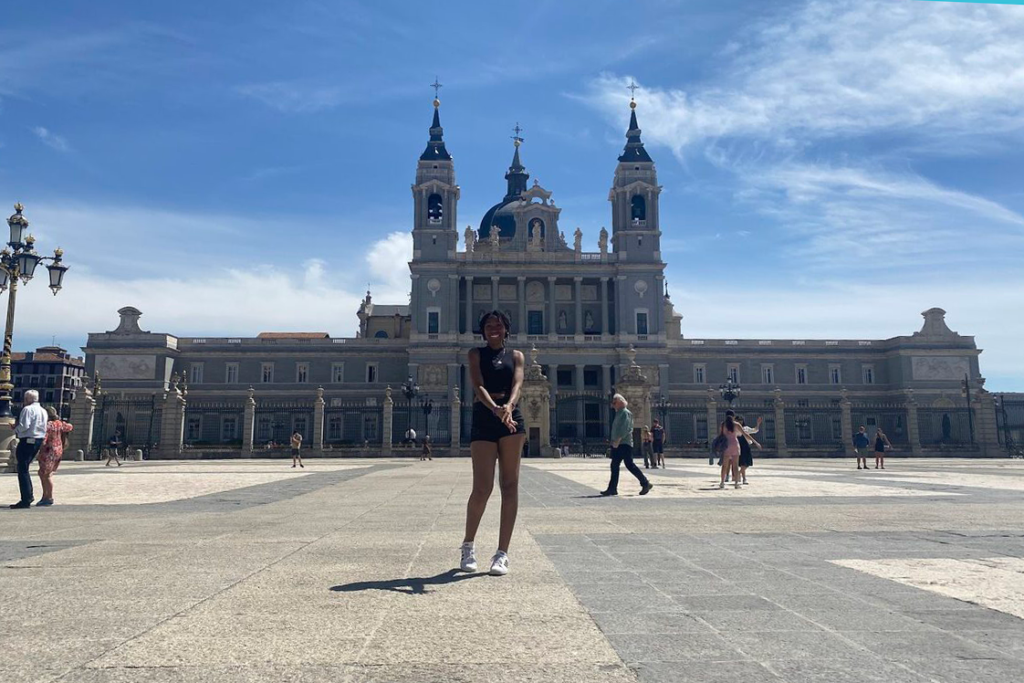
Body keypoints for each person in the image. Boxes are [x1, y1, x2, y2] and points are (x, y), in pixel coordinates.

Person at [460, 311, 527, 577]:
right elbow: (478, 385)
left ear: (506, 329)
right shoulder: (475, 354)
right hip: (485, 416)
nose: (493, 329)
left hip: (512, 419)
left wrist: (509, 407)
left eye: (498, 325)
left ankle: (502, 554)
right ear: (483, 330)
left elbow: (518, 384)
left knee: (510, 485)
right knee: (482, 487)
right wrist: (496, 409)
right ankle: (468, 545)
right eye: (488, 325)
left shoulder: (517, 356)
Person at [600, 394, 653, 497]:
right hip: (618, 444)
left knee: (629, 465)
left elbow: (626, 428)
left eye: (614, 403)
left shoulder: (625, 413)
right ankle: (612, 489)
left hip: (624, 444)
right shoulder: (619, 413)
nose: (613, 405)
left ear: (620, 402)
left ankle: (645, 483)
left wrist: (618, 440)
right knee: (614, 465)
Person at [9, 389, 48, 509]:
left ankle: (26, 498)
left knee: (22, 468)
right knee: (25, 467)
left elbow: (24, 425)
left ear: (27, 399)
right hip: (38, 440)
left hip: (27, 440)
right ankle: (28, 495)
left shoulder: (27, 409)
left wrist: (15, 429)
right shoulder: (43, 410)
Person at [36, 407, 73, 506]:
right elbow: (70, 427)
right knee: (44, 473)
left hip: (48, 451)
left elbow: (44, 439)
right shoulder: (59, 423)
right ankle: (45, 496)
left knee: (45, 474)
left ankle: (48, 497)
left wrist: (38, 448)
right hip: (58, 450)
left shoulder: (48, 425)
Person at [718, 409, 744, 490]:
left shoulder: (723, 424)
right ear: (734, 416)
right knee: (735, 466)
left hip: (726, 446)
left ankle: (722, 482)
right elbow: (744, 433)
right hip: (735, 445)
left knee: (724, 466)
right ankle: (736, 483)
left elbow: (720, 435)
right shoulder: (736, 424)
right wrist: (754, 442)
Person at [735, 415, 762, 485]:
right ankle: (744, 478)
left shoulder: (745, 428)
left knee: (747, 463)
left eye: (741, 420)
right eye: (738, 420)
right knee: (742, 463)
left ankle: (739, 473)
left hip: (746, 446)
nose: (740, 421)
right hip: (739, 446)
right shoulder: (735, 428)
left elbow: (755, 430)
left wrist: (758, 424)